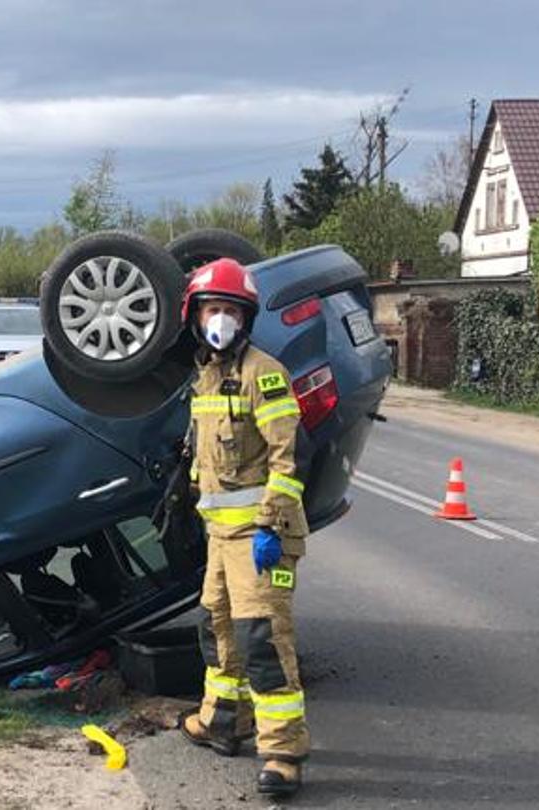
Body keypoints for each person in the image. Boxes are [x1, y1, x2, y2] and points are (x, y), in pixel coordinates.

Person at [175, 257, 309, 797]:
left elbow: (286, 463)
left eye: (231, 310)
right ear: (196, 315)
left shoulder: (264, 373)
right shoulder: (206, 376)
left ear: (245, 318)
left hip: (260, 537)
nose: (222, 319)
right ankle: (222, 721)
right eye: (214, 308)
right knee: (218, 630)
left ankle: (283, 753)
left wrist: (270, 527)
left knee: (263, 641)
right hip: (220, 537)